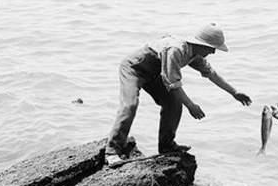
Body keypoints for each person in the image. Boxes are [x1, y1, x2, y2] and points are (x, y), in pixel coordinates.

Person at [105, 23, 252, 160]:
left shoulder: (195, 55)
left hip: (155, 74)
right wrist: (191, 105)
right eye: (212, 48)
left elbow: (212, 74)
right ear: (201, 44)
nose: (213, 52)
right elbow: (173, 83)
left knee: (174, 103)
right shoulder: (176, 50)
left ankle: (166, 146)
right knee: (130, 105)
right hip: (134, 70)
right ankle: (112, 151)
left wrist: (234, 92)